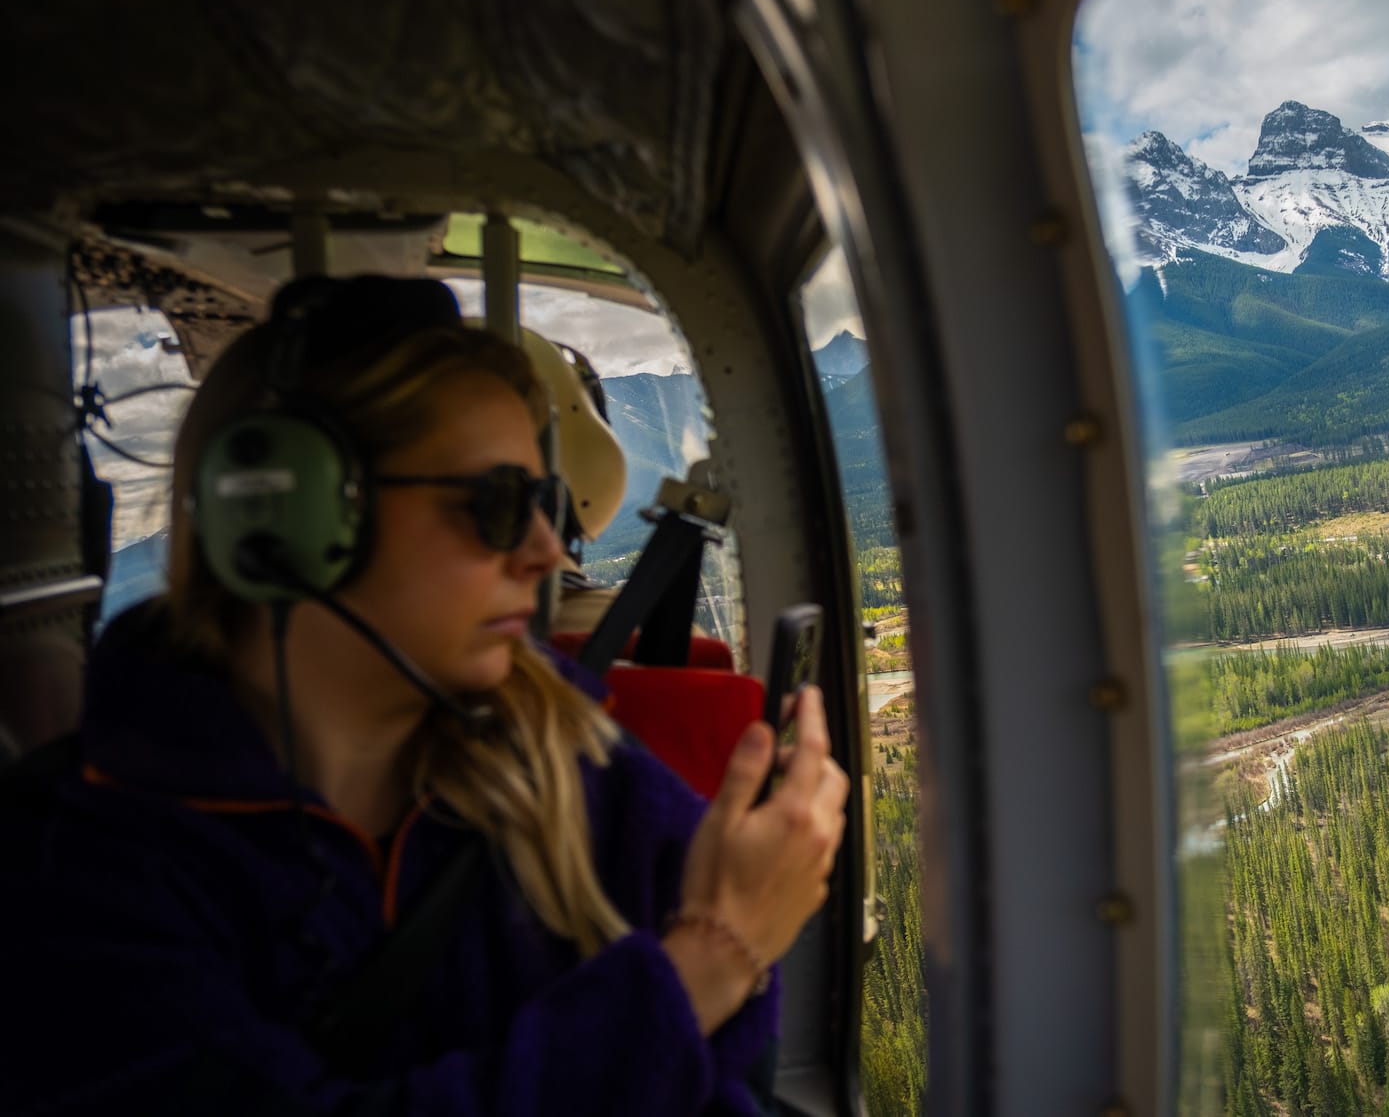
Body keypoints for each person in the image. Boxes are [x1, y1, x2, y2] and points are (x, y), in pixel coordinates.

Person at [0, 276, 847, 1114]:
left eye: (545, 502)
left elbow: (721, 1071)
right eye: (499, 504)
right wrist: (709, 957)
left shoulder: (564, 753)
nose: (549, 552)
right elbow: (704, 999)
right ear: (290, 515)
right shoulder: (84, 866)